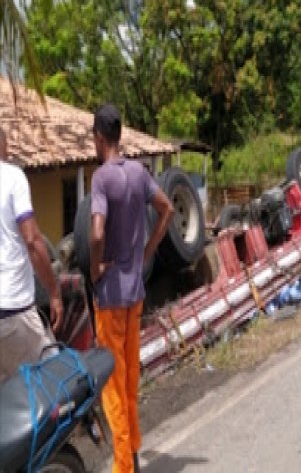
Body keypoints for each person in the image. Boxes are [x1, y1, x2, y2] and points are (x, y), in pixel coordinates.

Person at [89, 104, 173, 473]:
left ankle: (124, 466)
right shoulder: (140, 173)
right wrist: (148, 250)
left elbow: (95, 232)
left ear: (99, 137)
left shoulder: (101, 179)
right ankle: (133, 450)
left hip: (109, 297)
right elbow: (167, 209)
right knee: (129, 380)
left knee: (111, 385)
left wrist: (95, 269)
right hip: (136, 292)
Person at [0, 127, 63, 383]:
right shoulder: (13, 177)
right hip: (14, 310)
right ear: (2, 147)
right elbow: (34, 241)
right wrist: (54, 293)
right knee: (54, 382)